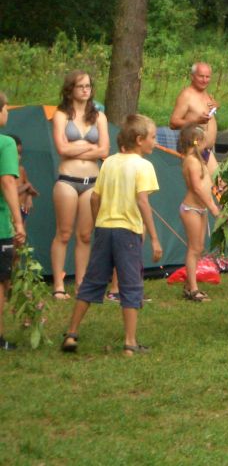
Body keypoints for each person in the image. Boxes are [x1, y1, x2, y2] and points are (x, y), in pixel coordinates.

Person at [61, 114, 162, 356]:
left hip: (104, 230)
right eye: (153, 137)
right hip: (128, 233)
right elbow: (142, 201)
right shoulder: (144, 166)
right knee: (131, 285)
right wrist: (155, 238)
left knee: (92, 281)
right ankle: (130, 343)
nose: (155, 142)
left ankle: (71, 334)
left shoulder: (108, 163)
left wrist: (99, 222)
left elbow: (94, 198)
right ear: (139, 139)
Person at [50, 70, 110, 298]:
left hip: (92, 181)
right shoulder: (61, 115)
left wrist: (77, 148)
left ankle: (81, 284)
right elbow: (62, 149)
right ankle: (58, 284)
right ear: (70, 89)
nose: (85, 90)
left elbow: (104, 151)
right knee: (64, 233)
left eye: (88, 86)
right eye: (80, 86)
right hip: (68, 180)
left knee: (85, 235)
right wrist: (90, 148)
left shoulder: (99, 117)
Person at [178, 126, 221, 302]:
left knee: (199, 247)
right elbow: (196, 187)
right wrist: (212, 207)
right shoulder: (192, 161)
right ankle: (193, 290)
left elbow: (207, 184)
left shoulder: (198, 160)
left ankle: (190, 284)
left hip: (200, 209)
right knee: (194, 248)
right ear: (198, 141)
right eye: (205, 141)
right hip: (191, 209)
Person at [0, 92, 26, 350]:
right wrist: (18, 222)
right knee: (1, 282)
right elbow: (7, 181)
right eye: (6, 108)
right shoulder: (6, 143)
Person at [170, 62, 219, 173]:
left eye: (207, 77)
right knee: (209, 182)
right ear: (192, 76)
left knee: (218, 182)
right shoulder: (186, 95)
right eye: (201, 76)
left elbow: (208, 115)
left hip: (206, 149)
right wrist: (196, 121)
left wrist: (216, 106)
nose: (204, 80)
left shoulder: (207, 95)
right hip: (194, 148)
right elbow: (173, 123)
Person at [8, 135, 38, 220]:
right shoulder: (4, 173)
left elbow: (29, 188)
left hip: (22, 208)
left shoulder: (21, 170)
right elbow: (10, 192)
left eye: (20, 153)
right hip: (9, 211)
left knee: (22, 227)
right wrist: (27, 186)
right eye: (15, 153)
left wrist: (29, 197)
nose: (19, 157)